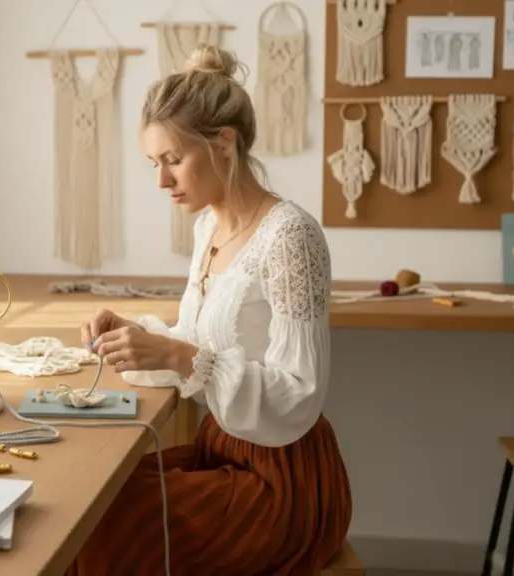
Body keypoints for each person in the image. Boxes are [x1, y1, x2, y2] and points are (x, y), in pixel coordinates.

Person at [68, 45, 352, 576]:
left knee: (109, 526)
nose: (161, 181)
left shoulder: (290, 236)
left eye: (174, 160)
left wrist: (179, 355)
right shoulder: (209, 228)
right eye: (155, 163)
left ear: (225, 143)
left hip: (282, 480)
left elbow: (301, 393)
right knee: (84, 498)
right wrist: (137, 336)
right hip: (221, 451)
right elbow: (201, 341)